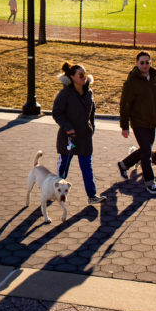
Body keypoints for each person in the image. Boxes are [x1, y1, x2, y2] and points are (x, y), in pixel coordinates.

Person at [53, 62, 107, 205]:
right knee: (63, 167)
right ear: (72, 77)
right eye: (80, 75)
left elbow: (92, 113)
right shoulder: (65, 93)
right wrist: (68, 127)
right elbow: (57, 113)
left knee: (87, 167)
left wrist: (91, 128)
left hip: (84, 137)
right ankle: (54, 192)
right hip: (68, 137)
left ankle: (92, 195)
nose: (84, 77)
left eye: (85, 74)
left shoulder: (89, 92)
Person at [117, 51, 156, 196]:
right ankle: (150, 183)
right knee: (146, 153)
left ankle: (124, 164)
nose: (145, 65)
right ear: (137, 64)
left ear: (151, 63)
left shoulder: (155, 78)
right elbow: (125, 105)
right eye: (142, 63)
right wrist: (124, 126)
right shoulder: (132, 82)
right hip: (138, 122)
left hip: (152, 122)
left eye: (147, 62)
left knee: (145, 149)